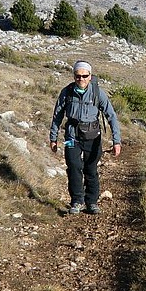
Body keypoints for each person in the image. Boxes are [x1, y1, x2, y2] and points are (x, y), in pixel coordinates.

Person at [49, 60, 122, 214]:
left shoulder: (98, 93)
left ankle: (92, 202)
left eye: (84, 76)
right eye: (78, 76)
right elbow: (57, 116)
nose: (81, 79)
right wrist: (53, 138)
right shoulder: (67, 92)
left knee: (90, 168)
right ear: (74, 76)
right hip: (71, 136)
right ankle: (76, 201)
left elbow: (112, 116)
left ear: (90, 76)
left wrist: (117, 141)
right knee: (74, 167)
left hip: (92, 136)